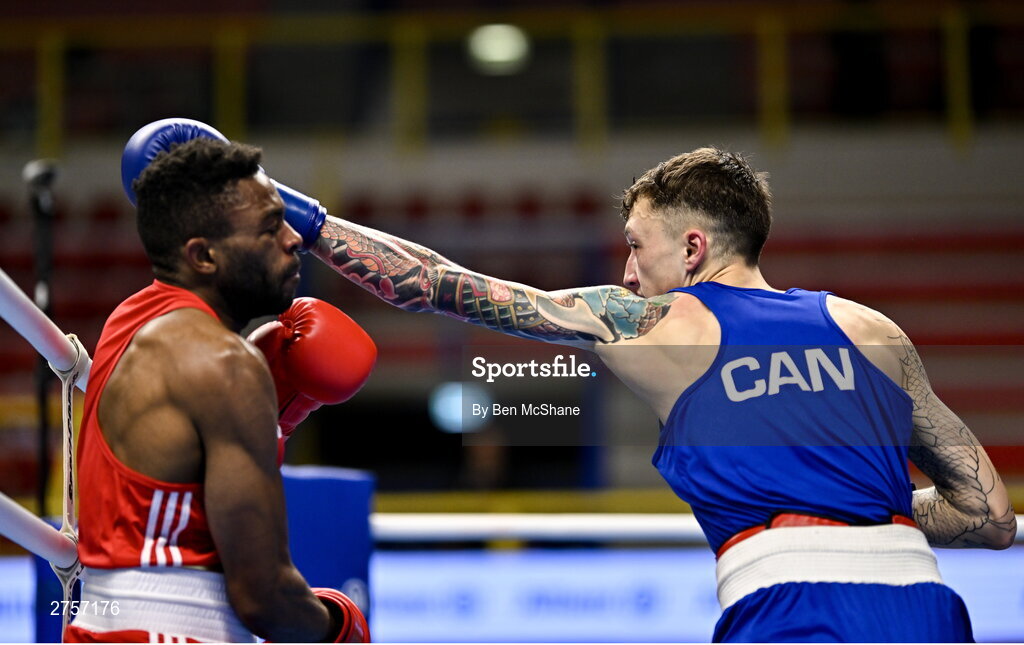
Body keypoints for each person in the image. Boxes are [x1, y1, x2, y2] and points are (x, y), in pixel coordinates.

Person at [121, 123, 1016, 641]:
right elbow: (988, 514)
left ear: (693, 248)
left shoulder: (660, 324)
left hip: (790, 608)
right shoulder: (872, 329)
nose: (628, 272)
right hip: (929, 606)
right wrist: (872, 511)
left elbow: (440, 286)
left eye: (637, 245)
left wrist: (297, 216)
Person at [67, 134, 375, 643]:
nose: (294, 239)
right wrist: (339, 624)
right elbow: (264, 598)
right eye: (269, 228)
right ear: (203, 256)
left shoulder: (132, 318)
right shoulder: (223, 363)